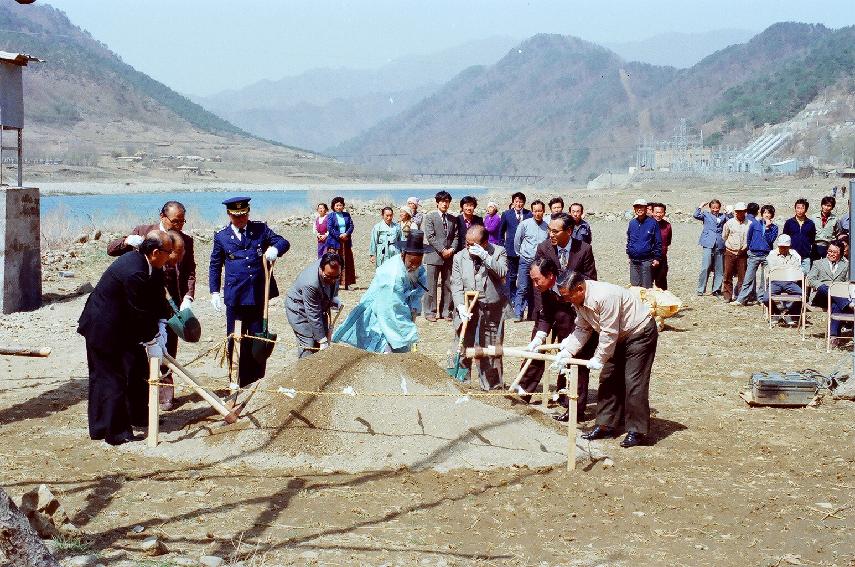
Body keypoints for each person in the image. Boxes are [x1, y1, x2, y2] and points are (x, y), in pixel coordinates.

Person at [78, 231, 173, 445]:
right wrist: (151, 339)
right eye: (168, 252)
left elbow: (156, 299)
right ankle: (114, 432)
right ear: (156, 252)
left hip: (122, 326)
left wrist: (161, 325)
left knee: (134, 368)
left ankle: (135, 416)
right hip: (102, 327)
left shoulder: (152, 265)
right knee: (110, 378)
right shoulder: (133, 271)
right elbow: (139, 310)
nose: (171, 256)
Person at [106, 200, 196, 411]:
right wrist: (128, 241)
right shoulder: (144, 232)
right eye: (175, 221)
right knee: (141, 348)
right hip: (141, 301)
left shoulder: (186, 241)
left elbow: (189, 271)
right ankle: (138, 395)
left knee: (167, 348)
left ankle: (164, 396)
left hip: (170, 304)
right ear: (162, 217)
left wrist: (187, 298)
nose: (179, 226)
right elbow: (111, 250)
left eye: (183, 221)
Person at [552, 270, 658, 448]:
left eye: (568, 296)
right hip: (618, 336)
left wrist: (598, 358)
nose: (566, 300)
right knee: (608, 378)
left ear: (579, 289)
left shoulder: (605, 297)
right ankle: (605, 425)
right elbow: (582, 328)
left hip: (639, 332)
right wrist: (567, 352)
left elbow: (609, 333)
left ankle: (637, 430)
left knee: (633, 381)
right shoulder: (578, 301)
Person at [209, 197, 290, 386]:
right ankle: (236, 378)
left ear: (248, 213)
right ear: (229, 214)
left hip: (257, 295)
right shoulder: (221, 236)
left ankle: (255, 380)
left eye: (244, 215)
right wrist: (214, 291)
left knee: (257, 339)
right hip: (235, 297)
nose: (241, 219)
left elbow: (284, 242)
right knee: (235, 339)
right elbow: (215, 265)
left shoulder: (260, 229)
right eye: (236, 216)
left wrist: (275, 250)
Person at [516, 258, 598, 422]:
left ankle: (575, 411)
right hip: (564, 329)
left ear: (550, 275)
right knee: (561, 364)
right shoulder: (545, 288)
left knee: (577, 368)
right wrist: (540, 337)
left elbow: (584, 316)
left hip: (583, 330)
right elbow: (546, 315)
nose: (535, 284)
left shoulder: (569, 284)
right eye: (532, 280)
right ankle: (527, 393)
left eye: (537, 279)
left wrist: (572, 340)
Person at [333, 231, 428, 353]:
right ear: (403, 254)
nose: (414, 266)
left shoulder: (418, 269)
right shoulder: (392, 276)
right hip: (383, 310)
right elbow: (392, 309)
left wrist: (414, 307)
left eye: (418, 263)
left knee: (402, 347)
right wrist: (410, 333)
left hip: (401, 312)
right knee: (383, 348)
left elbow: (420, 287)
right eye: (411, 262)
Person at [451, 225, 508, 390]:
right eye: (466, 243)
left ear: (484, 243)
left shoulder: (498, 252)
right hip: (468, 306)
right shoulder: (459, 257)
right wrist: (460, 306)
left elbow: (503, 272)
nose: (468, 247)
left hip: (491, 306)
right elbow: (456, 285)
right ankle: (461, 382)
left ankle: (491, 385)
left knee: (491, 346)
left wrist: (487, 258)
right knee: (462, 344)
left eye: (472, 244)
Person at [285, 251, 343, 358]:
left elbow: (333, 278)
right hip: (299, 309)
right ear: (321, 269)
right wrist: (321, 339)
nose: (332, 281)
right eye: (328, 277)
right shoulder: (310, 283)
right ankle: (306, 371)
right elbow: (313, 313)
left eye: (336, 277)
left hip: (318, 305)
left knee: (321, 339)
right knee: (309, 344)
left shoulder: (333, 269)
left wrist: (333, 296)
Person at [422, 191, 458, 322]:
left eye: (447, 201)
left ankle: (446, 311)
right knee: (431, 285)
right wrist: (442, 250)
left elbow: (456, 236)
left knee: (448, 284)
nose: (445, 203)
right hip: (433, 256)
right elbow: (430, 236)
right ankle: (430, 311)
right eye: (442, 201)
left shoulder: (453, 219)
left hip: (449, 257)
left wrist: (452, 249)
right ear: (437, 202)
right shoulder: (430, 217)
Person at [807, 240, 851, 339]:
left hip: (837, 298)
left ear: (841, 253)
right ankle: (849, 305)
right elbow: (810, 279)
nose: (831, 254)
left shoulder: (846, 265)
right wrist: (821, 286)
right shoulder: (818, 263)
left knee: (835, 304)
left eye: (834, 252)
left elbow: (848, 282)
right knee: (824, 288)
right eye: (829, 251)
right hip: (821, 296)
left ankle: (833, 337)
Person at [735, 204, 778, 306]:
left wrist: (767, 228)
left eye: (769, 213)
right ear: (761, 213)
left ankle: (761, 299)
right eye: (765, 213)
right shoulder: (754, 224)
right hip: (754, 254)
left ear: (772, 215)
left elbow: (770, 240)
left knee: (765, 279)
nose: (767, 215)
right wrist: (750, 249)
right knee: (748, 278)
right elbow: (749, 237)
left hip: (766, 256)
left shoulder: (774, 228)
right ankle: (741, 299)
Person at [513, 200, 549, 320]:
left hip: (539, 263)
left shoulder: (546, 226)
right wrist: (520, 254)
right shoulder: (525, 224)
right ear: (532, 211)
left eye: (540, 211)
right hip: (526, 260)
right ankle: (518, 313)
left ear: (543, 211)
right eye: (535, 211)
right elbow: (517, 241)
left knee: (537, 288)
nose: (537, 213)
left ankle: (534, 314)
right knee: (522, 287)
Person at [499, 192, 531, 315]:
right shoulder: (506, 214)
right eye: (516, 201)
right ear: (513, 202)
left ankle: (523, 301)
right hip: (511, 251)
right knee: (511, 277)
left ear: (524, 203)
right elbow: (501, 233)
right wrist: (503, 247)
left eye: (521, 201)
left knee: (525, 277)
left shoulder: (528, 214)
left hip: (526, 251)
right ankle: (511, 299)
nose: (518, 204)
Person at [766, 234, 803, 326]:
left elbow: (797, 268)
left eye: (785, 247)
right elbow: (773, 268)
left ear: (789, 246)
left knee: (802, 295)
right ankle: (777, 311)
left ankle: (786, 311)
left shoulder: (794, 255)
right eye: (781, 246)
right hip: (776, 281)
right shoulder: (772, 255)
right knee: (766, 298)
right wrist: (787, 269)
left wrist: (782, 268)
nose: (783, 248)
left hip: (790, 281)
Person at [693, 199, 726, 296]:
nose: (715, 210)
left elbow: (730, 219)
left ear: (719, 208)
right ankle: (701, 289)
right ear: (710, 208)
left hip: (720, 244)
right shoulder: (706, 215)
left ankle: (716, 289)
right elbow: (696, 215)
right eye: (713, 208)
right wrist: (700, 206)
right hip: (708, 243)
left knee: (719, 269)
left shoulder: (723, 216)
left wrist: (727, 210)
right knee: (705, 267)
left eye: (717, 208)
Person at [626, 199, 662, 288]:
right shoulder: (632, 223)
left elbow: (658, 241)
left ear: (646, 208)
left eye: (641, 207)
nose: (639, 209)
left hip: (647, 260)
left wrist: (657, 258)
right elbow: (629, 239)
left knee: (646, 287)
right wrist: (629, 254)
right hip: (634, 260)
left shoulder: (653, 223)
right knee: (634, 286)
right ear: (634, 209)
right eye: (637, 207)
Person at [721, 202, 750, 302]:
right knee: (727, 275)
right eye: (738, 211)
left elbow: (749, 238)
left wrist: (744, 248)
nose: (740, 213)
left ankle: (741, 297)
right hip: (730, 252)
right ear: (735, 212)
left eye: (742, 211)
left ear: (745, 212)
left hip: (743, 253)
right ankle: (727, 296)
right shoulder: (729, 223)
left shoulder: (749, 224)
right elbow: (724, 236)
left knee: (742, 276)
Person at [326, 196, 356, 289]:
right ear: (333, 206)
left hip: (345, 242)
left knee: (347, 262)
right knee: (334, 262)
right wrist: (339, 235)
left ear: (343, 206)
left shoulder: (347, 215)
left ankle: (347, 284)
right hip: (335, 243)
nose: (339, 207)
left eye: (341, 205)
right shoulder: (331, 216)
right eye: (337, 205)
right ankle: (333, 284)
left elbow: (351, 226)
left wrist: (346, 234)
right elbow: (330, 228)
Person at [782, 198, 816, 274]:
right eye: (798, 208)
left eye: (802, 208)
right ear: (795, 209)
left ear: (806, 209)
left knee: (805, 276)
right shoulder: (789, 222)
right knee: (792, 276)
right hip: (791, 255)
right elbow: (785, 238)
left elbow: (812, 239)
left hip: (805, 256)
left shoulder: (810, 223)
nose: (800, 210)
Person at [650, 203, 672, 290]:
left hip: (662, 257)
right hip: (648, 258)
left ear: (664, 213)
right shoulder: (646, 224)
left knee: (661, 281)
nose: (658, 215)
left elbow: (668, 241)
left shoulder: (667, 226)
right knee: (647, 282)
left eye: (661, 212)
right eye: (656, 212)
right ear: (652, 212)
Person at [812, 196, 837, 260]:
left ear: (832, 207)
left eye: (829, 206)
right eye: (824, 205)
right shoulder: (814, 217)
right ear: (821, 205)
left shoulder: (835, 219)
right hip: (815, 246)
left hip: (828, 246)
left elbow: (838, 232)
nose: (826, 207)